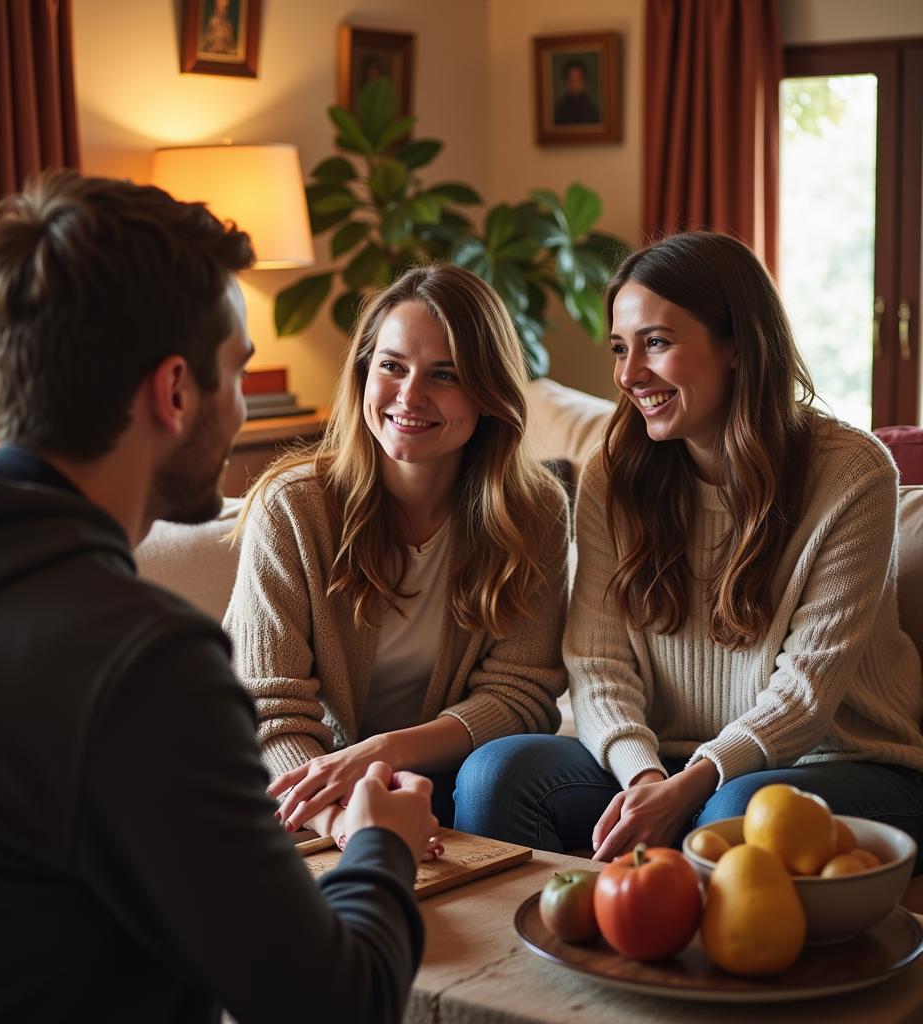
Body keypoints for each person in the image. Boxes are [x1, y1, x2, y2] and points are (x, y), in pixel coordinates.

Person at [0, 170, 438, 1022]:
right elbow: (338, 1002)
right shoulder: (143, 665)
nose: (240, 407)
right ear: (176, 391)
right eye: (239, 373)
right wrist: (381, 848)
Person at [455, 231, 923, 870]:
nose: (628, 374)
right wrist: (645, 778)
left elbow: (805, 693)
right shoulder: (613, 475)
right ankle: (521, 967)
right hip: (665, 757)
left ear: (735, 345)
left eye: (656, 343)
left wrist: (697, 780)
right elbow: (596, 664)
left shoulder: (851, 474)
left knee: (735, 818)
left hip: (841, 763)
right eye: (620, 348)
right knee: (496, 772)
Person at [224, 264, 570, 846]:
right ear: (363, 375)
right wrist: (350, 829)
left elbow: (522, 696)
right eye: (391, 366)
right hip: (302, 786)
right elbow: (267, 713)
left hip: (446, 779)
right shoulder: (293, 509)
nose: (410, 396)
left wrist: (384, 752)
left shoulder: (534, 514)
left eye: (445, 374)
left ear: (488, 393)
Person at [553, 59, 599, 125]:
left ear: (583, 81)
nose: (574, 83)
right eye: (571, 79)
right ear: (566, 82)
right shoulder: (560, 110)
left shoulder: (591, 110)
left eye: (577, 79)